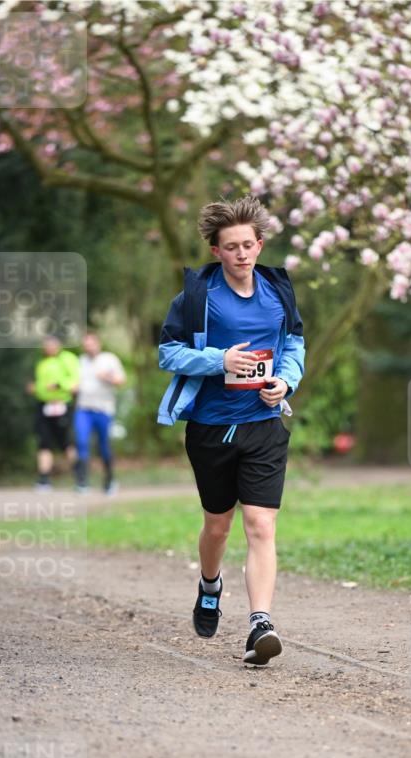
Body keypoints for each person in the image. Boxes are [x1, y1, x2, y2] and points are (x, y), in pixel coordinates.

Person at [157, 195, 305, 666]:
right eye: (231, 246)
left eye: (248, 245)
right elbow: (168, 354)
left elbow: (295, 344)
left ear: (259, 245)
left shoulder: (278, 292)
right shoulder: (199, 298)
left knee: (261, 525)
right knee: (218, 527)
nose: (242, 254)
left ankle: (260, 622)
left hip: (264, 424)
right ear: (216, 250)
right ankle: (209, 584)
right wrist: (217, 361)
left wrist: (285, 379)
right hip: (211, 428)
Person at [74, 331, 126, 494]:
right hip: (83, 409)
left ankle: (109, 480)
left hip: (103, 409)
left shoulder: (109, 359)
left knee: (103, 445)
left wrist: (106, 377)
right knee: (82, 442)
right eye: (85, 344)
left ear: (98, 344)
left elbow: (120, 381)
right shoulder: (80, 361)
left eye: (91, 343)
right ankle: (82, 482)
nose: (88, 347)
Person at [26, 334, 79, 491]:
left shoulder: (67, 359)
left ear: (59, 345)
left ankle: (79, 474)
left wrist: (59, 385)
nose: (49, 348)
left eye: (52, 344)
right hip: (44, 406)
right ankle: (44, 479)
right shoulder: (41, 363)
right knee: (44, 442)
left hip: (62, 405)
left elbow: (75, 381)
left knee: (66, 442)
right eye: (46, 345)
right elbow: (41, 385)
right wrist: (35, 388)